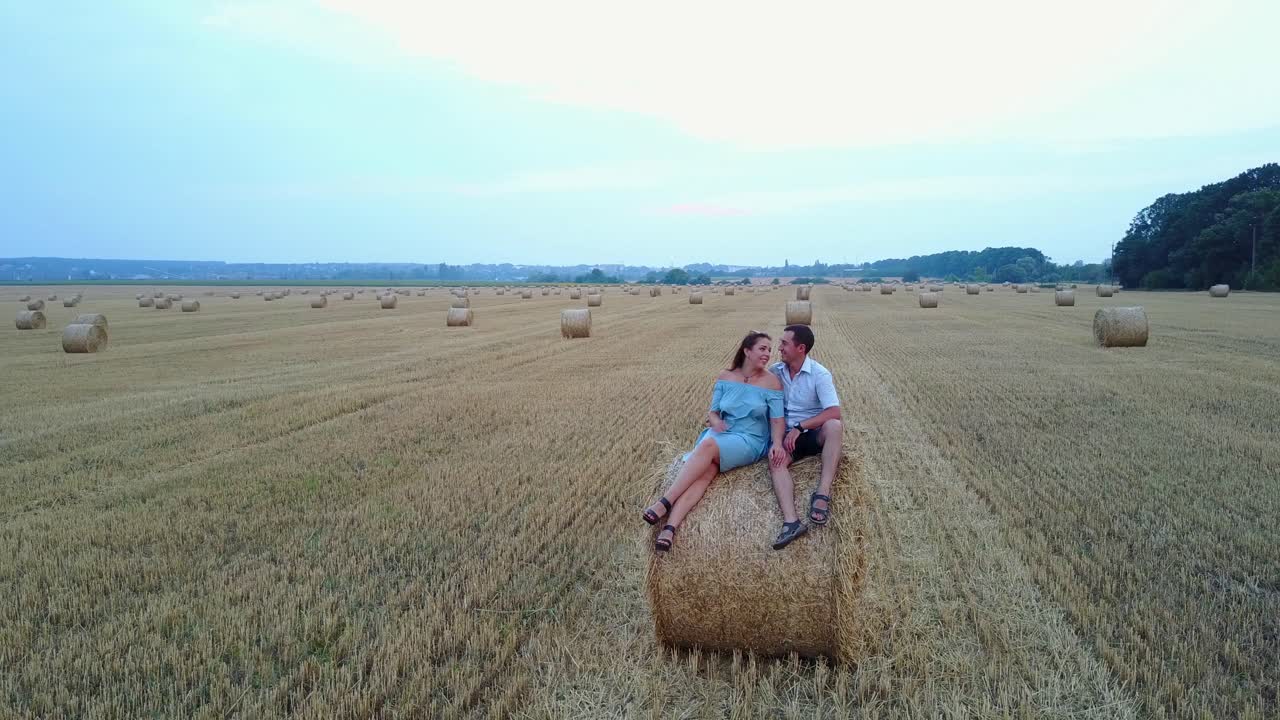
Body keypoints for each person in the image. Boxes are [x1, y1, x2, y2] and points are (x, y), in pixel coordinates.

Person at [642, 331, 788, 552]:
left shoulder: (772, 383)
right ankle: (670, 528)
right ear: (747, 351)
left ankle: (664, 502)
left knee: (708, 446)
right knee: (707, 472)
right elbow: (713, 412)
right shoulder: (726, 377)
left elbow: (777, 421)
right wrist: (716, 421)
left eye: (769, 349)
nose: (768, 353)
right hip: (723, 434)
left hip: (750, 439)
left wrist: (777, 444)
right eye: (762, 348)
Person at [769, 324, 842, 546]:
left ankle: (822, 492)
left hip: (811, 433)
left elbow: (834, 411)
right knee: (775, 461)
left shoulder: (820, 374)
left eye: (784, 343)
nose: (779, 347)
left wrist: (800, 427)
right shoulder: (775, 372)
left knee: (835, 426)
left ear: (801, 348)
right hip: (785, 434)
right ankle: (791, 522)